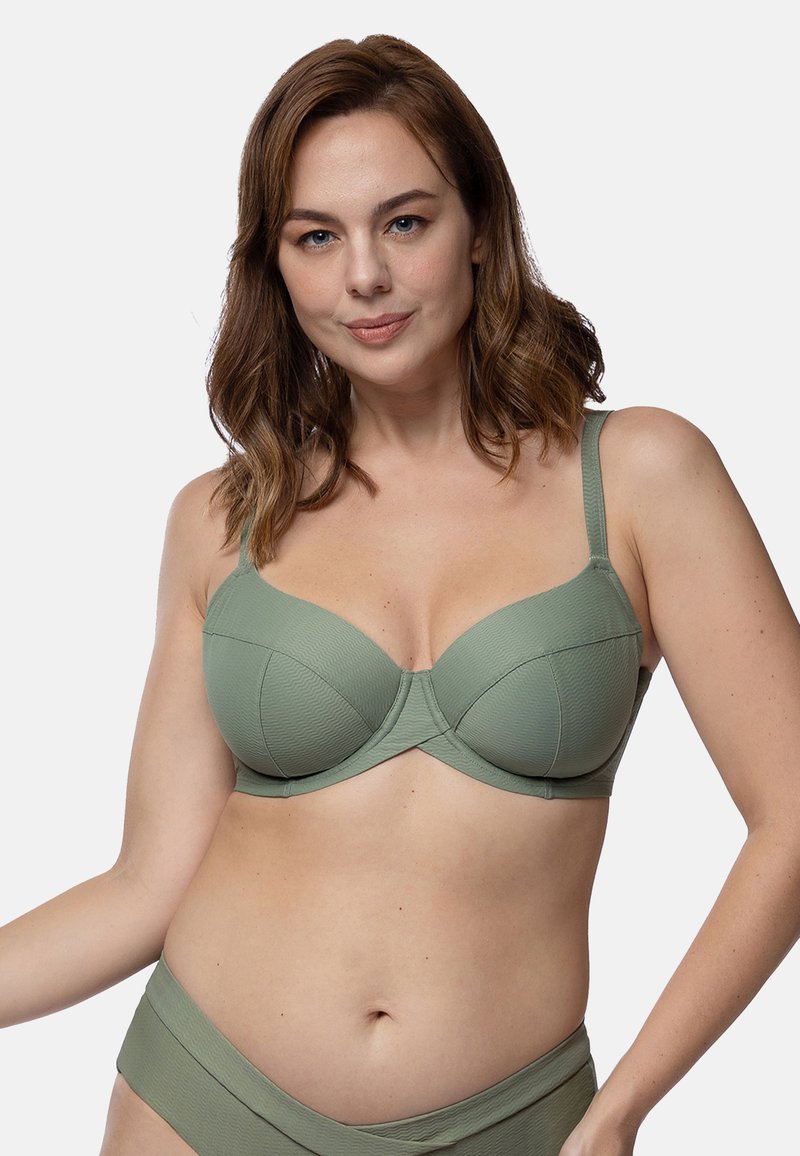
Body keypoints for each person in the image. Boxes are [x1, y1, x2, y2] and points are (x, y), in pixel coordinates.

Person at [2, 32, 798, 1156]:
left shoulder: (639, 478)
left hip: (515, 1121)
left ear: (481, 230)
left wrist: (621, 1107)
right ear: (275, 266)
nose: (363, 277)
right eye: (316, 237)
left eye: (405, 223)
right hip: (202, 1099)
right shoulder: (224, 518)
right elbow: (145, 884)